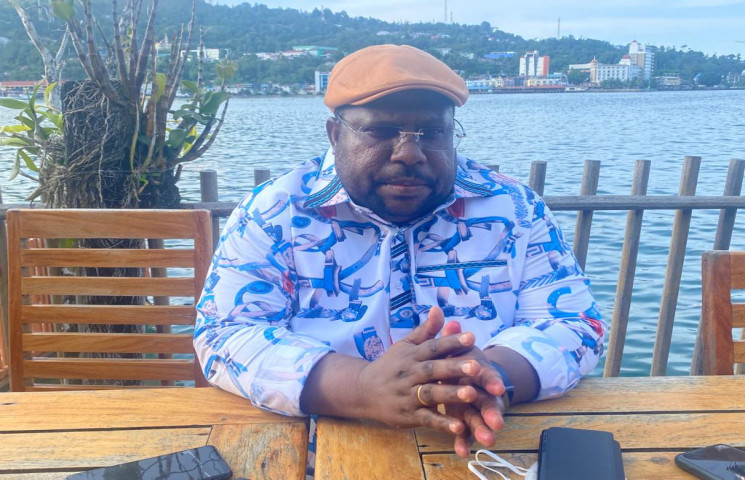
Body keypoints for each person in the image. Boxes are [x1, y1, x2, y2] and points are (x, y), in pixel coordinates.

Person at [194, 44, 604, 460]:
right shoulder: (275, 211)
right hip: (317, 448)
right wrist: (360, 387)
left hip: (484, 446)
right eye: (381, 131)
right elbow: (225, 333)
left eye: (432, 133)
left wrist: (489, 377)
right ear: (335, 135)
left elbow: (577, 323)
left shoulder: (514, 208)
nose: (410, 153)